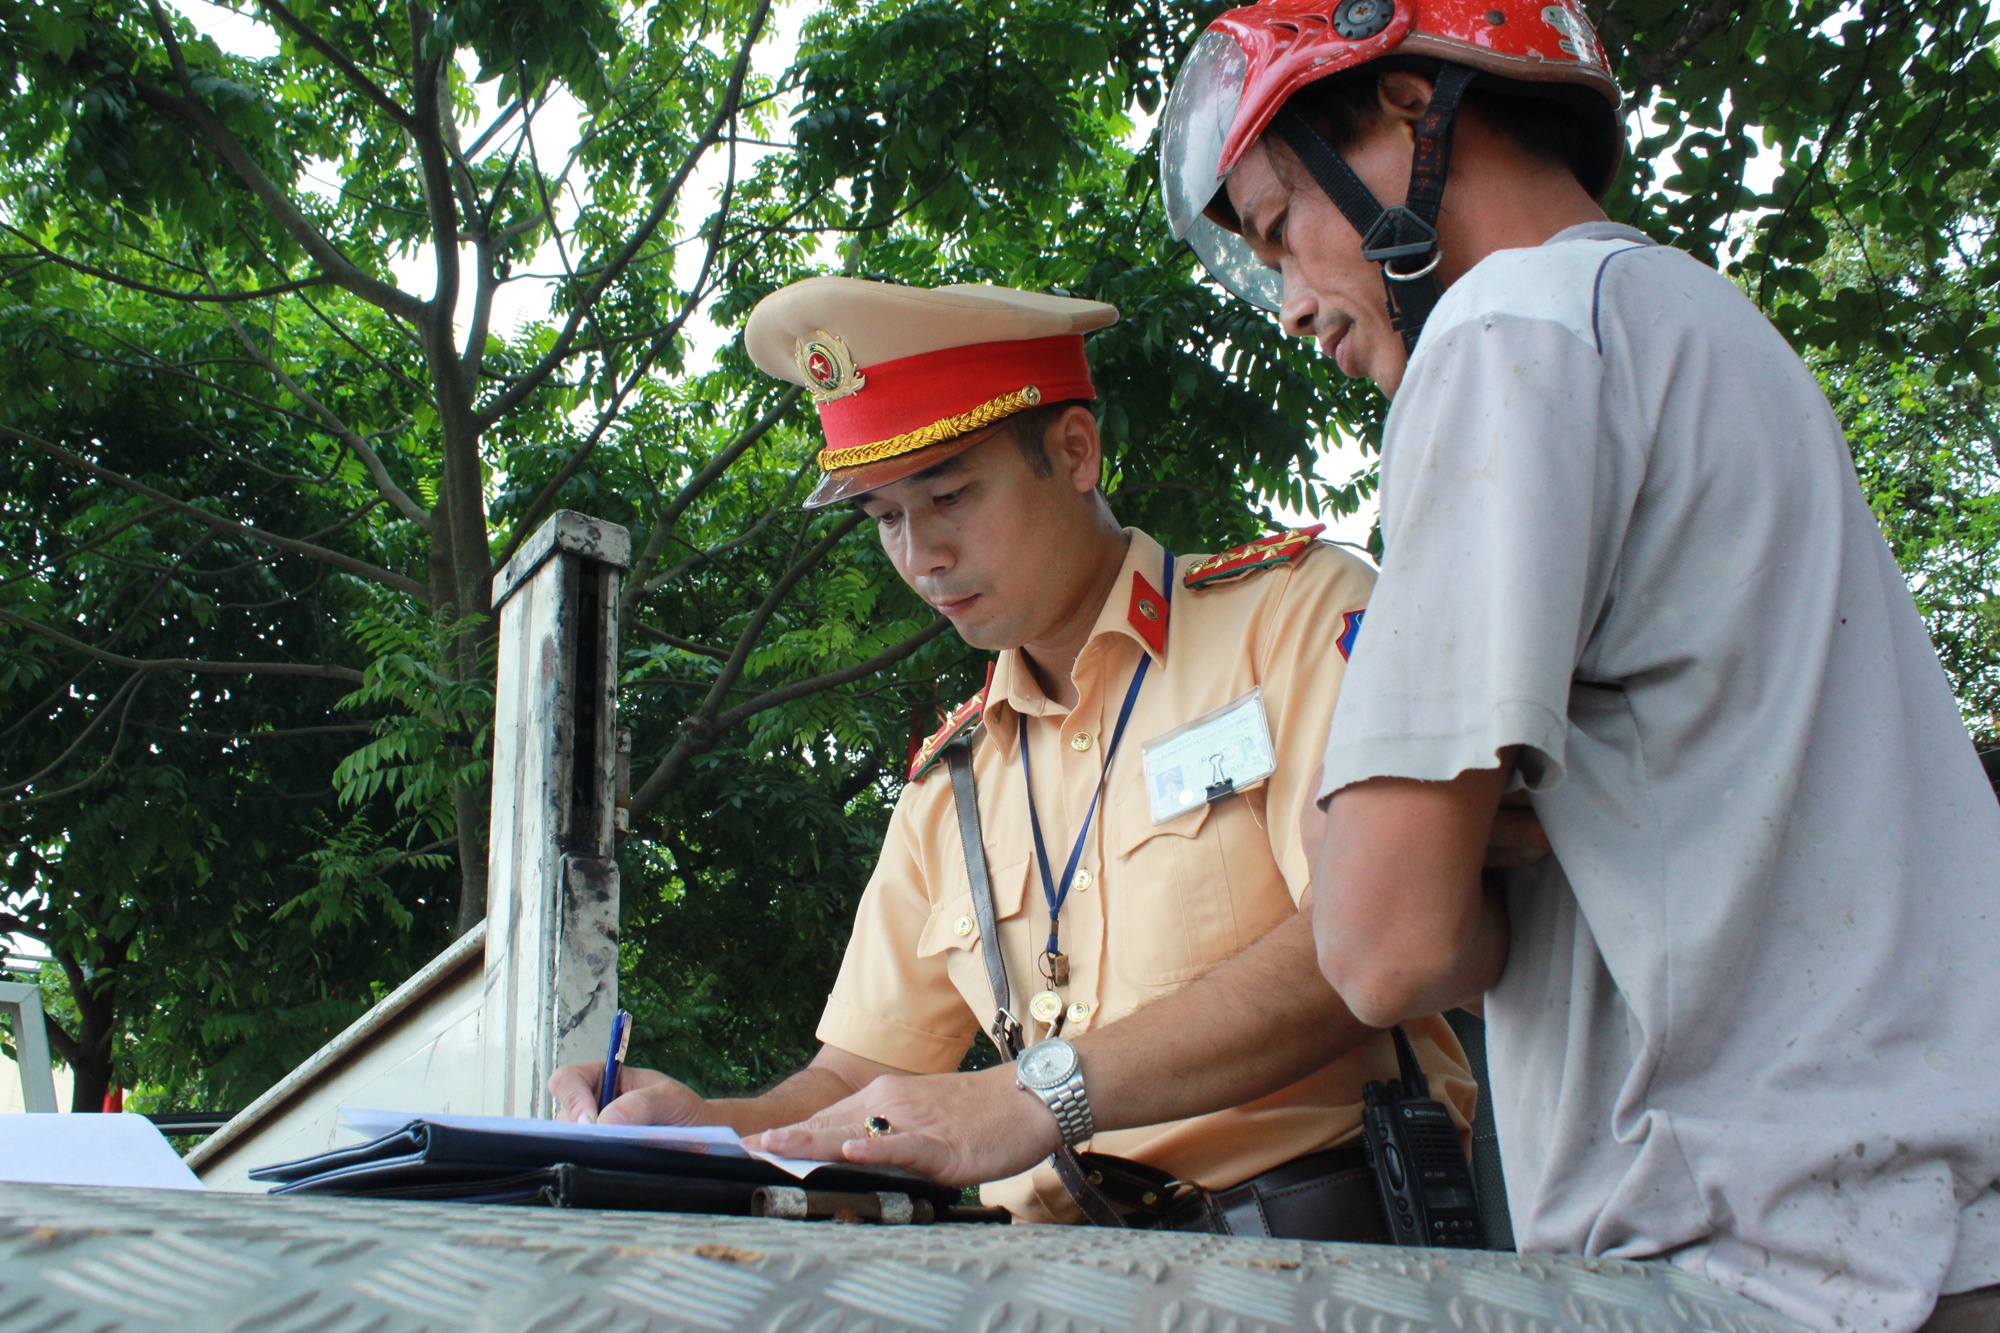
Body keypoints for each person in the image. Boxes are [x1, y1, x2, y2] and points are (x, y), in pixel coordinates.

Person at [1158, 0, 2000, 1327]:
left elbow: (1382, 946)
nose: (1289, 306)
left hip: (1750, 1263)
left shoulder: (1509, 333)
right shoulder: (1700, 323)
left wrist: (1425, 840)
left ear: (1407, 108)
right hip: (1922, 1233)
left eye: (1278, 232)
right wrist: (1474, 831)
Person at [549, 277, 1489, 1231]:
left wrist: (1034, 1094)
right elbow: (855, 1079)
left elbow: (1367, 942)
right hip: (1040, 1281)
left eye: (949, 493)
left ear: (1075, 451)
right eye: (883, 518)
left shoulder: (1290, 621)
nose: (921, 554)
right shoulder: (945, 789)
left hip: (1314, 1258)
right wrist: (706, 1127)